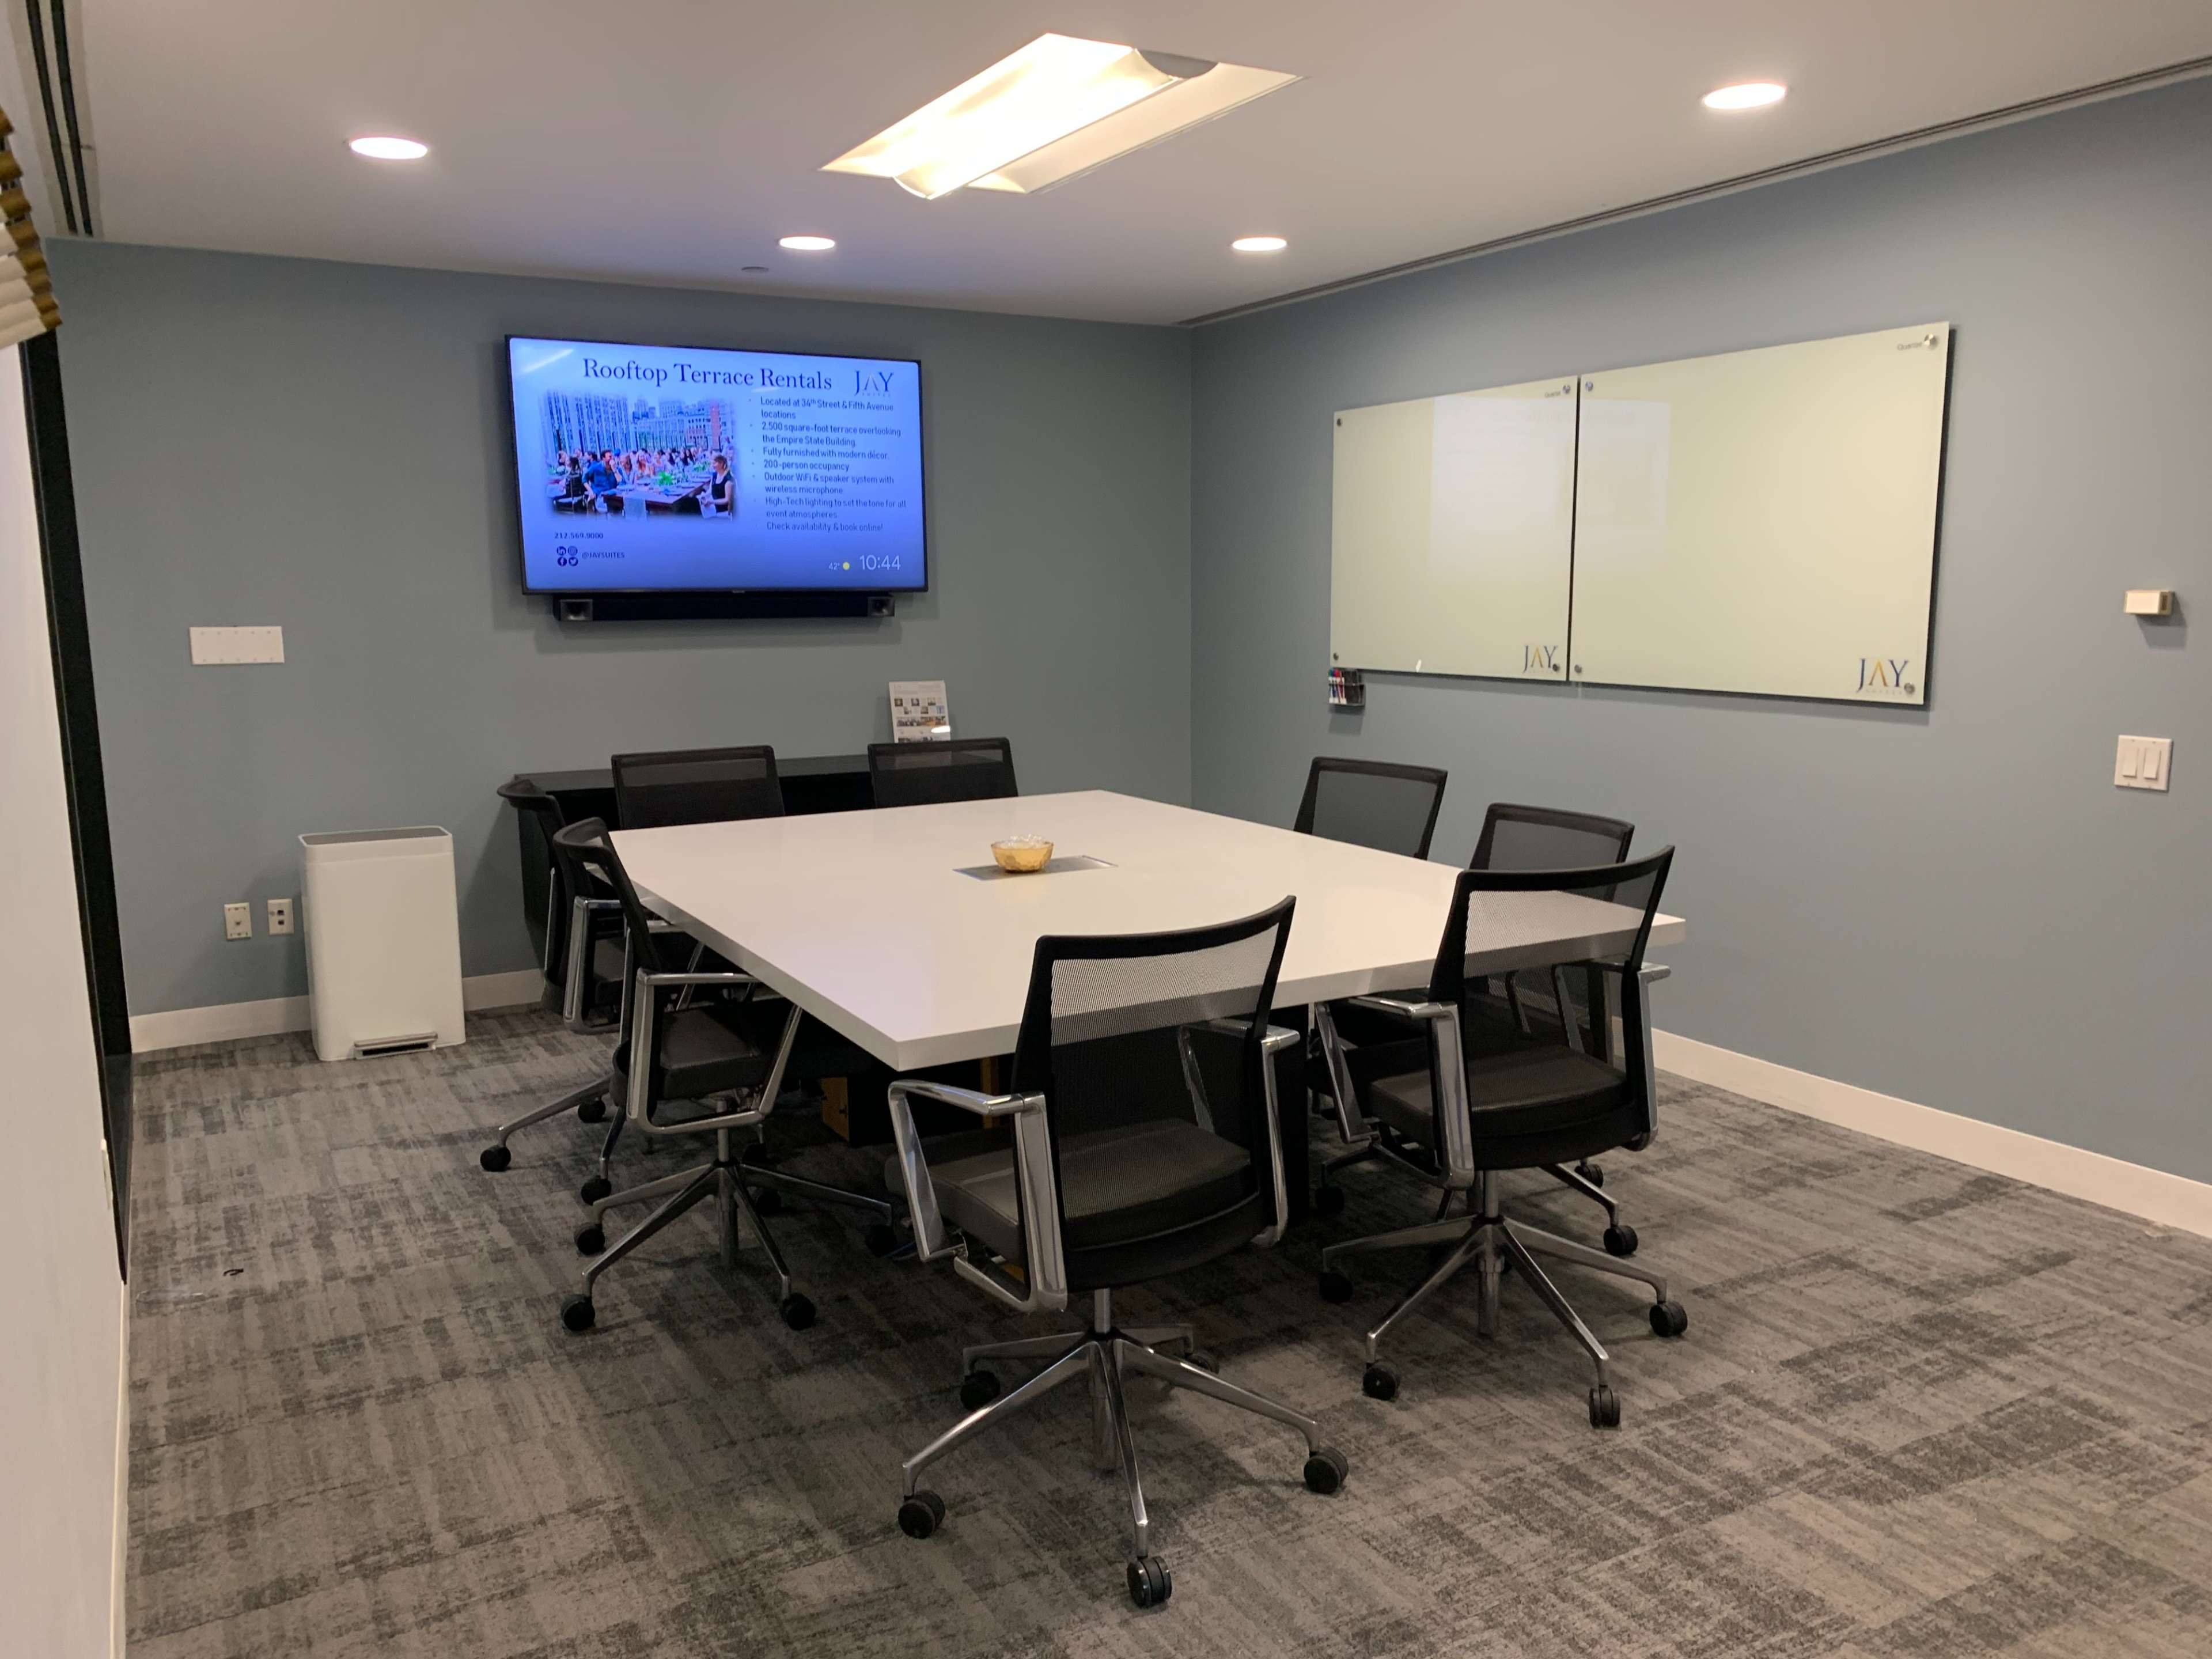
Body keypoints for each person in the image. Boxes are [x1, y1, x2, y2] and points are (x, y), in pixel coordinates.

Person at [585, 449, 622, 514]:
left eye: (612, 456)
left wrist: (614, 470)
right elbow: (584, 479)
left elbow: (620, 482)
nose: (612, 459)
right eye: (610, 457)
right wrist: (590, 491)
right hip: (601, 498)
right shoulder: (595, 468)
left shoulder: (616, 468)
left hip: (615, 497)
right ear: (603, 458)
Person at [702, 452, 735, 518]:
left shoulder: (728, 479)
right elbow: (711, 490)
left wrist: (711, 502)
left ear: (722, 463)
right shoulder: (714, 475)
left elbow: (727, 500)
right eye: (712, 464)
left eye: (714, 463)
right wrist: (704, 496)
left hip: (726, 512)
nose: (712, 466)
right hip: (716, 510)